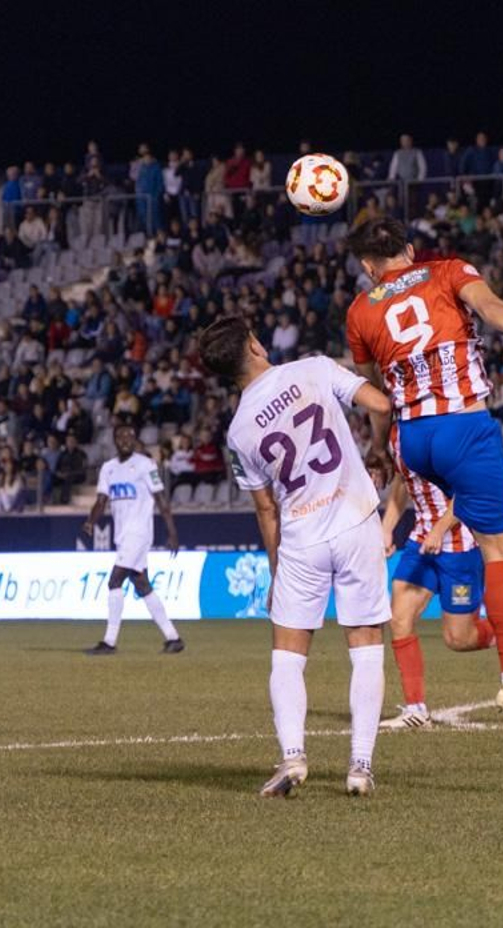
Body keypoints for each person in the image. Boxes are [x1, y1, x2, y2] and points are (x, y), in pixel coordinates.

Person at [344, 217, 503, 725]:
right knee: (499, 550)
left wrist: (380, 448)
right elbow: (489, 306)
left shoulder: (359, 310)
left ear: (368, 267)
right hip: (462, 423)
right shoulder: (445, 271)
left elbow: (376, 397)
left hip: (410, 438)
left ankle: (418, 703)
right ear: (410, 250)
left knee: (449, 558)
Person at [199, 316, 394, 798]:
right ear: (255, 343)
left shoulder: (239, 431)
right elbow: (381, 403)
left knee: (287, 656)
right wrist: (377, 448)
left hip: (301, 538)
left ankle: (291, 757)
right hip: (353, 519)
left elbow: (266, 509)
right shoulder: (313, 369)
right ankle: (360, 766)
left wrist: (275, 568)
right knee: (365, 645)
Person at [378, 424, 503, 731]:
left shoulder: (444, 426)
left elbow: (468, 488)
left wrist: (440, 530)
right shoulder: (398, 431)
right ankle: (416, 709)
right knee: (399, 618)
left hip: (460, 544)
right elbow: (403, 480)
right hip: (421, 541)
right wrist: (387, 527)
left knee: (458, 638)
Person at [79, 423, 184, 656]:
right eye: (120, 436)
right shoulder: (108, 468)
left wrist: (172, 532)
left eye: (129, 435)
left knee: (114, 581)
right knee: (142, 584)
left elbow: (160, 499)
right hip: (122, 534)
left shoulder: (145, 465)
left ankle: (109, 642)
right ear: (115, 440)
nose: (125, 439)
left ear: (135, 439)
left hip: (139, 533)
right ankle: (173, 637)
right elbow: (101, 500)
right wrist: (90, 521)